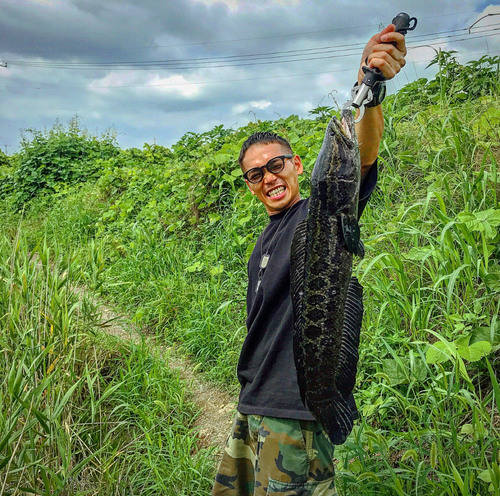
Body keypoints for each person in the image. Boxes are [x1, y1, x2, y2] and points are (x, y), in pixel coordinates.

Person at [212, 23, 407, 496]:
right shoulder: (266, 237)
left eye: (275, 165)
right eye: (255, 174)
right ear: (250, 185)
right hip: (254, 405)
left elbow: (357, 161)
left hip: (294, 415)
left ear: (298, 165)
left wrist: (370, 88)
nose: (268, 178)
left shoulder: (320, 215)